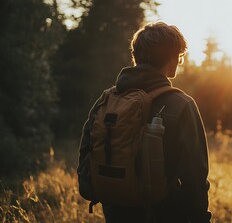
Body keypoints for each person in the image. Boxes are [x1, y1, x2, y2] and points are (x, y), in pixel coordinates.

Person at [79, 21, 211, 223]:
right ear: (172, 57)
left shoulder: (107, 99)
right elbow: (195, 176)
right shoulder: (181, 104)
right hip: (164, 213)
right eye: (179, 56)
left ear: (136, 57)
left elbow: (86, 151)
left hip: (115, 209)